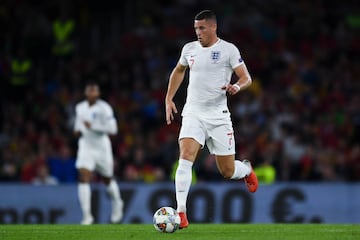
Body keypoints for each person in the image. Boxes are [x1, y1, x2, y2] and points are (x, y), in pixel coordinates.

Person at [165, 10, 258, 229]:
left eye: (202, 28)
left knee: (227, 171)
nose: (198, 32)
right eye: (196, 28)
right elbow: (179, 71)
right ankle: (181, 212)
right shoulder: (189, 49)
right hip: (193, 113)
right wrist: (169, 98)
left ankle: (246, 169)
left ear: (213, 27)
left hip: (218, 117)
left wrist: (236, 86)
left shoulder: (228, 50)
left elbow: (246, 78)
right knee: (186, 156)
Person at [74, 82, 123, 225]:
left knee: (107, 179)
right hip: (86, 145)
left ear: (98, 93)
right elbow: (78, 126)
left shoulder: (104, 108)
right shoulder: (80, 108)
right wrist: (76, 131)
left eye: (94, 91)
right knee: (83, 177)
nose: (91, 93)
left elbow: (113, 129)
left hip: (101, 146)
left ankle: (117, 203)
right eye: (89, 91)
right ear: (86, 93)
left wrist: (93, 126)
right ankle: (87, 216)